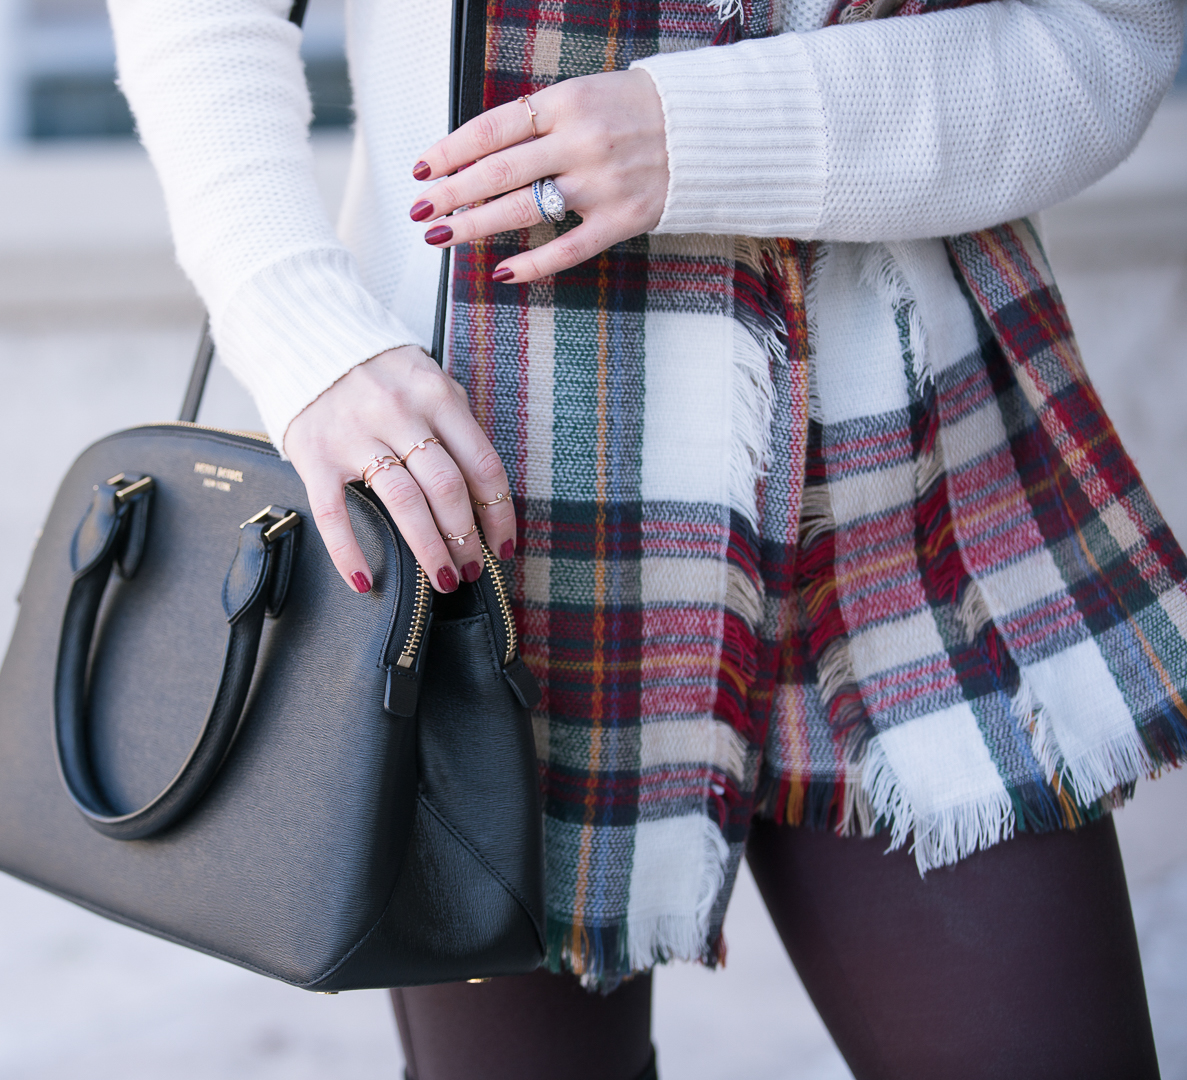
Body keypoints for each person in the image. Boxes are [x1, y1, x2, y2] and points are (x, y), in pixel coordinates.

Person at [108, 0, 1185, 1076]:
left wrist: (712, 133)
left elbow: (1109, 34)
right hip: (489, 513)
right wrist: (303, 327)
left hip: (907, 482)